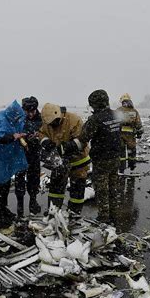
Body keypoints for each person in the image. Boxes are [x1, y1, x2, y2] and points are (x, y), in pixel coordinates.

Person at [59, 90, 121, 223]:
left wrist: (67, 147)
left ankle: (104, 218)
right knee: (113, 187)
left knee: (102, 189)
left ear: (94, 104)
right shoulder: (116, 114)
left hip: (102, 159)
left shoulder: (96, 119)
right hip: (116, 157)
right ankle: (114, 215)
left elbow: (83, 138)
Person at [0, 100, 28, 232]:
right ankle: (1, 217)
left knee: (6, 185)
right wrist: (13, 136)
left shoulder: (12, 119)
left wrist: (20, 136)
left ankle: (4, 210)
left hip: (6, 159)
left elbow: (17, 129)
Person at [39, 103, 91, 217]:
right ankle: (53, 212)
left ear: (59, 115)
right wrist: (45, 141)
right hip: (59, 161)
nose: (52, 126)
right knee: (55, 188)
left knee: (77, 189)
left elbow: (82, 141)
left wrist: (66, 147)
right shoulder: (47, 122)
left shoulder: (74, 120)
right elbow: (41, 133)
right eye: (50, 124)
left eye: (54, 123)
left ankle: (74, 214)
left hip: (78, 160)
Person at [15, 96, 43, 217]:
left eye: (33, 111)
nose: (30, 114)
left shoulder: (42, 120)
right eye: (28, 111)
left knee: (34, 178)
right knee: (19, 178)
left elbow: (47, 134)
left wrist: (38, 136)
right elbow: (13, 133)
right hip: (21, 154)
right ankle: (20, 205)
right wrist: (22, 136)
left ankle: (33, 201)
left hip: (35, 154)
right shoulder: (18, 118)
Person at [115, 93, 143, 173]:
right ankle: (132, 166)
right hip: (131, 135)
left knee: (121, 152)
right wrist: (139, 133)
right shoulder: (134, 111)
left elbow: (114, 122)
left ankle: (121, 168)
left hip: (120, 135)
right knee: (132, 151)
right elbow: (138, 123)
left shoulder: (118, 110)